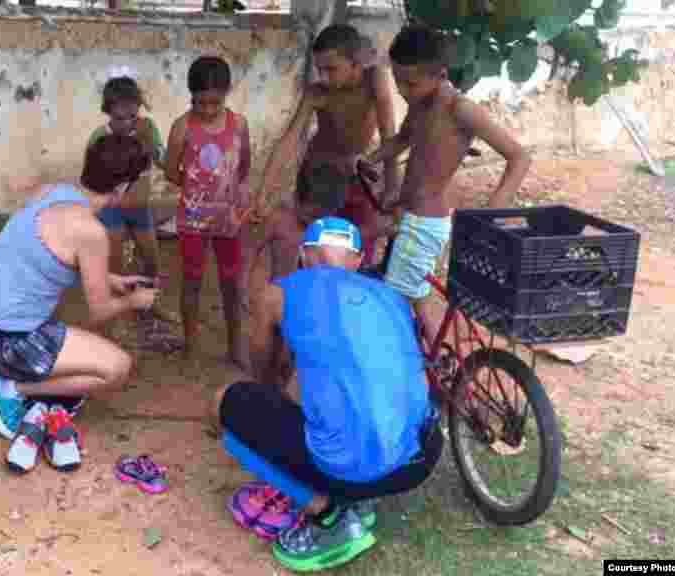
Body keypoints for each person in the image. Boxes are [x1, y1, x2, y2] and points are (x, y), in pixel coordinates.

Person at [211, 217, 443, 572]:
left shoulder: (278, 294)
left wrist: (266, 400)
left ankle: (330, 516)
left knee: (223, 401)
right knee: (343, 391)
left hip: (358, 465)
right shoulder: (393, 297)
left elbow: (260, 367)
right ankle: (362, 499)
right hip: (422, 456)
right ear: (358, 260)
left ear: (305, 257)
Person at [0, 133, 159, 474]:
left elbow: (42, 253)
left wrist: (110, 280)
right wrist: (136, 300)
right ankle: (10, 389)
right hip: (3, 343)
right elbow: (99, 311)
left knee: (60, 326)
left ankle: (23, 388)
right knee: (117, 368)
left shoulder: (50, 192)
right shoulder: (91, 232)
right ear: (123, 187)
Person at [365, 25, 531, 346]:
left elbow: (519, 156)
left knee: (394, 302)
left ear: (439, 74)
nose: (401, 89)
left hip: (425, 222)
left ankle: (414, 365)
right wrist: (371, 159)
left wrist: (495, 206)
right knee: (416, 294)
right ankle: (440, 362)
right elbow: (401, 140)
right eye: (397, 80)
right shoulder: (420, 104)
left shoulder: (461, 109)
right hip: (408, 215)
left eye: (409, 82)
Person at [255, 24, 399, 280]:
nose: (323, 77)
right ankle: (309, 302)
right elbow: (288, 141)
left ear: (356, 64)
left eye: (331, 69)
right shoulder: (316, 92)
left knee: (357, 250)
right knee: (316, 250)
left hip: (359, 176)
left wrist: (391, 187)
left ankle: (346, 308)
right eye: (319, 69)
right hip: (319, 177)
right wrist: (263, 191)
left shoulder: (375, 78)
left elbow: (389, 134)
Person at [164, 55, 252, 368]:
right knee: (191, 280)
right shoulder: (182, 127)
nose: (207, 110)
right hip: (192, 220)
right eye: (200, 103)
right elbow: (171, 172)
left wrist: (226, 196)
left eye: (214, 103)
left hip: (228, 219)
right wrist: (197, 190)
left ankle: (234, 346)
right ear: (191, 96)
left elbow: (243, 166)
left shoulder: (238, 124)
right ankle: (190, 344)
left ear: (227, 93)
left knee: (231, 282)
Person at [88, 75, 178, 351]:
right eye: (120, 117)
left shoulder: (147, 128)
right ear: (108, 110)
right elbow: (91, 178)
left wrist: (154, 148)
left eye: (132, 115)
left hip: (140, 209)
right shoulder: (100, 137)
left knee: (151, 260)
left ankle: (149, 305)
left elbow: (163, 161)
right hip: (112, 211)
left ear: (139, 108)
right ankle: (116, 323)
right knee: (115, 267)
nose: (127, 123)